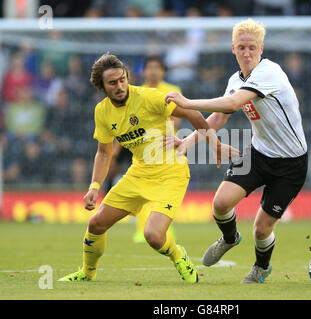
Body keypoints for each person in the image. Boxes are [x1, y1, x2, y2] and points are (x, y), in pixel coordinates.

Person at [58, 52, 237, 284]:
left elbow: (192, 113)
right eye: (113, 82)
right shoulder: (102, 111)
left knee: (152, 236)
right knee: (96, 223)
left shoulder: (149, 97)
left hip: (171, 174)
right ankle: (87, 272)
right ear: (101, 86)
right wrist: (94, 186)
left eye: (122, 79)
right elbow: (104, 152)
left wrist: (215, 144)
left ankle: (178, 255)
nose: (120, 85)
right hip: (138, 174)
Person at [165, 18, 308, 284]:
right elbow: (218, 119)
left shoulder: (270, 72)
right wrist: (186, 142)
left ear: (261, 49)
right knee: (220, 204)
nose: (247, 53)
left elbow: (231, 104)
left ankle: (261, 268)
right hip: (259, 153)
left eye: (252, 47)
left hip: (291, 164)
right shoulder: (235, 79)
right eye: (241, 47)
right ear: (233, 48)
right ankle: (230, 238)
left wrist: (187, 103)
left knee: (262, 228)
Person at [105, 55, 182, 243]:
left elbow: (177, 118)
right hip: (138, 142)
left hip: (164, 143)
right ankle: (140, 227)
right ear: (144, 71)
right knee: (140, 186)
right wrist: (116, 148)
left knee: (163, 190)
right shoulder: (136, 92)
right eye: (150, 67)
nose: (153, 71)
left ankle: (162, 226)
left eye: (157, 68)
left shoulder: (172, 90)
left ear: (163, 71)